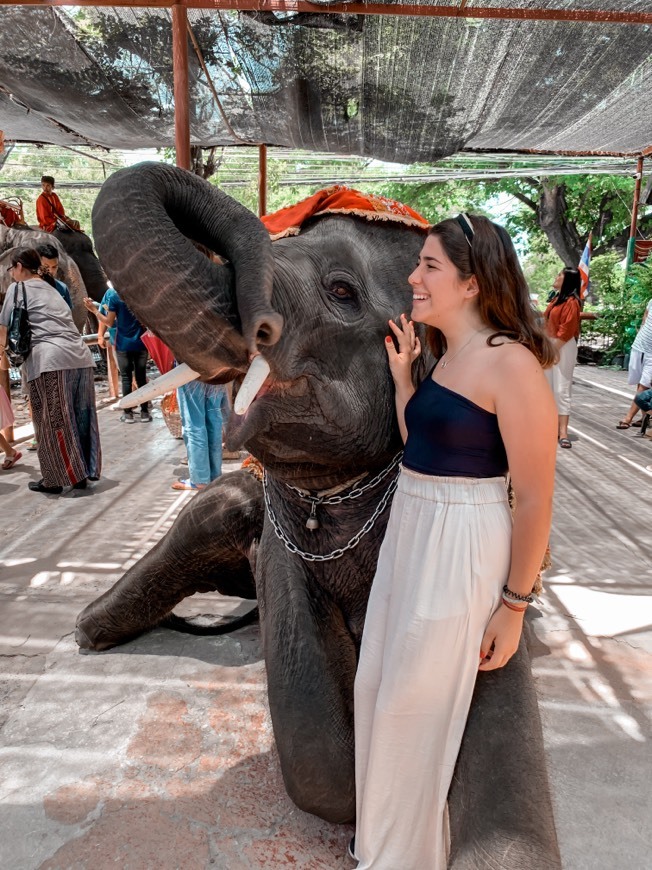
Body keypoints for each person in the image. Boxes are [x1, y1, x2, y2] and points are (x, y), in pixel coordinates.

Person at [352, 214, 557, 870]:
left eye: (429, 266)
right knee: (380, 685)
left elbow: (535, 497)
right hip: (414, 529)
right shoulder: (448, 358)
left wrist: (515, 604)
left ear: (471, 284)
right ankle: (380, 837)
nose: (413, 277)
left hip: (461, 543)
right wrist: (406, 380)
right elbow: (424, 449)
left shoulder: (512, 365)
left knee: (413, 701)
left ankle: (400, 857)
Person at [0, 248, 101, 493]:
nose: (12, 273)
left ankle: (55, 479)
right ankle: (81, 474)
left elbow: (3, 330)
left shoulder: (18, 289)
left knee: (51, 420)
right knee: (79, 417)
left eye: (12, 269)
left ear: (19, 267)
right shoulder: (52, 288)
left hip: (50, 360)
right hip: (80, 358)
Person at [84, 288, 151, 422]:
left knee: (126, 378)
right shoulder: (140, 293)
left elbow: (108, 321)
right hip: (141, 343)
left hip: (123, 344)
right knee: (141, 377)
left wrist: (94, 310)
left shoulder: (114, 295)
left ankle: (128, 413)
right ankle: (144, 413)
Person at [543, 267, 582, 448]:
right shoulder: (556, 300)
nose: (556, 276)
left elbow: (566, 330)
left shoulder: (572, 302)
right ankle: (551, 429)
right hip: (552, 344)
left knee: (561, 388)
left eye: (560, 275)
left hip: (563, 346)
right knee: (549, 388)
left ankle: (563, 432)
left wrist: (553, 350)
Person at [174, 378, 227, 491]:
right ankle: (215, 476)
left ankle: (200, 480)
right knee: (214, 421)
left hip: (191, 371)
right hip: (219, 369)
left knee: (194, 423)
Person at [616, 297, 652, 430]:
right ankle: (645, 417)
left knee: (644, 385)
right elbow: (645, 319)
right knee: (640, 383)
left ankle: (628, 418)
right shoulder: (651, 301)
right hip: (639, 346)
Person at [37, 243, 73, 309]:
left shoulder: (62, 288)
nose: (50, 271)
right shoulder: (27, 287)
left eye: (54, 267)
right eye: (46, 267)